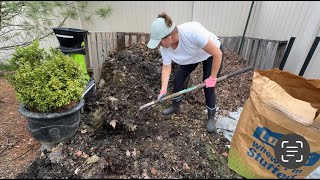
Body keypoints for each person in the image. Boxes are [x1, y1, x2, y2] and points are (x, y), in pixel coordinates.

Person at [147, 12, 224, 133]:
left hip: (210, 54)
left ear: (169, 37)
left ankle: (211, 116)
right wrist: (163, 90)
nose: (159, 45)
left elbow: (217, 54)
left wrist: (213, 77)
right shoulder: (165, 47)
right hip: (191, 56)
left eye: (160, 41)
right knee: (178, 79)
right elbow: (166, 68)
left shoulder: (192, 33)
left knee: (208, 86)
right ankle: (175, 106)